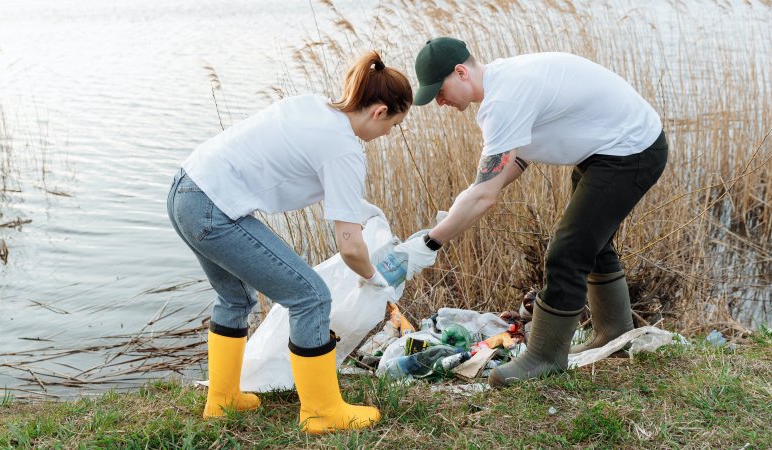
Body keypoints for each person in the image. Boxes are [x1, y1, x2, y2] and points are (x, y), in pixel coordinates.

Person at [395, 37, 668, 387]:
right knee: (590, 242)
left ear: (461, 72)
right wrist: (462, 205)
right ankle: (615, 333)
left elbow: (485, 195)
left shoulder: (502, 100)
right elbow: (511, 164)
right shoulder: (504, 82)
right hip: (606, 150)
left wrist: (431, 243)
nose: (439, 101)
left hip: (630, 150)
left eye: (439, 91)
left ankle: (545, 357)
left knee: (568, 251)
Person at [167, 51, 412, 432]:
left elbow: (307, 173)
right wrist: (375, 278)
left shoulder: (314, 107)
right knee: (311, 297)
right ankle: (322, 412)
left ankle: (222, 399)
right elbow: (349, 245)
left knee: (235, 298)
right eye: (394, 124)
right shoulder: (345, 149)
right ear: (379, 111)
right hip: (213, 209)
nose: (388, 133)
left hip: (186, 190)